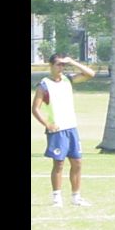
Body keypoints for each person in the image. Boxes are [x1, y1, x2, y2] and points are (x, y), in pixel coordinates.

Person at [31, 53, 96, 207]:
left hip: (71, 128)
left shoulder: (68, 80)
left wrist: (73, 61)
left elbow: (90, 74)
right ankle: (57, 198)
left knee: (77, 163)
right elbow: (35, 108)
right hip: (58, 130)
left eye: (63, 65)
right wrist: (48, 124)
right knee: (59, 164)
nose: (61, 67)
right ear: (51, 65)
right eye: (58, 64)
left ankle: (76, 197)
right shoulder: (44, 85)